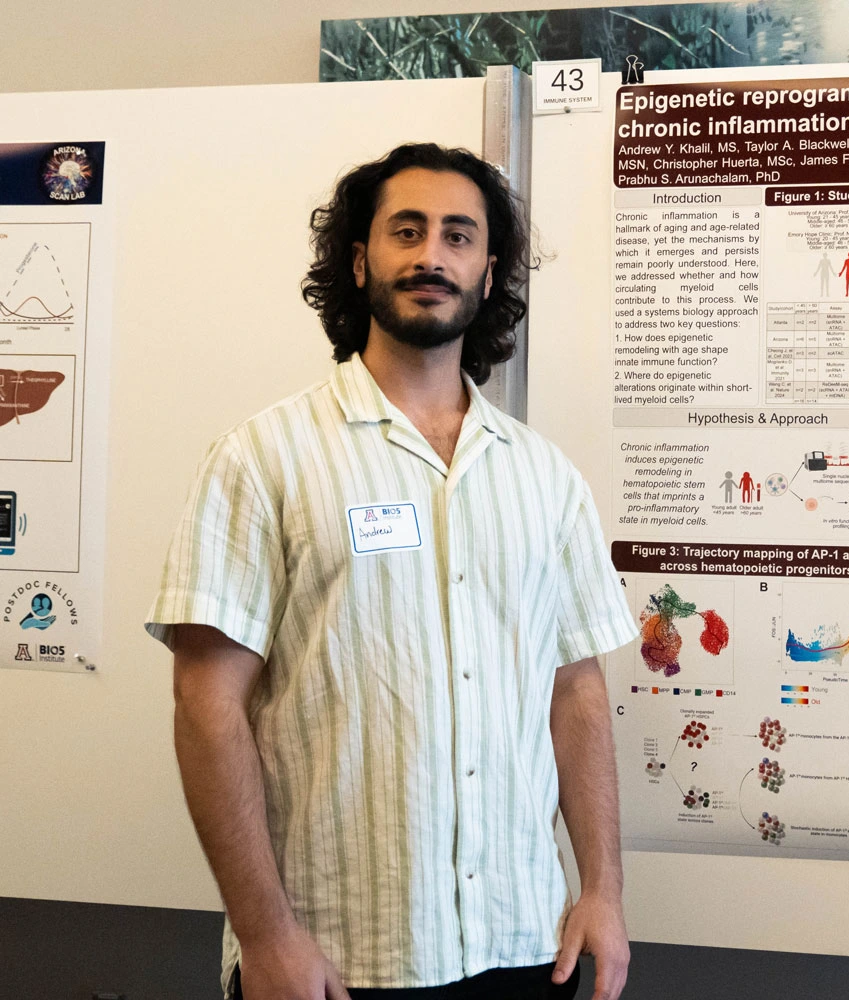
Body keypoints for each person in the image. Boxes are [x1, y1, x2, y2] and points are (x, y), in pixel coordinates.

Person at [145, 144, 637, 1000]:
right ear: (360, 259)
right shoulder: (264, 459)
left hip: (525, 942)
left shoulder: (544, 477)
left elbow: (578, 693)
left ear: (488, 273)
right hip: (335, 960)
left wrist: (602, 889)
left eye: (457, 236)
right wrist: (265, 937)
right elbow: (205, 702)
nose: (430, 255)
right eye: (405, 231)